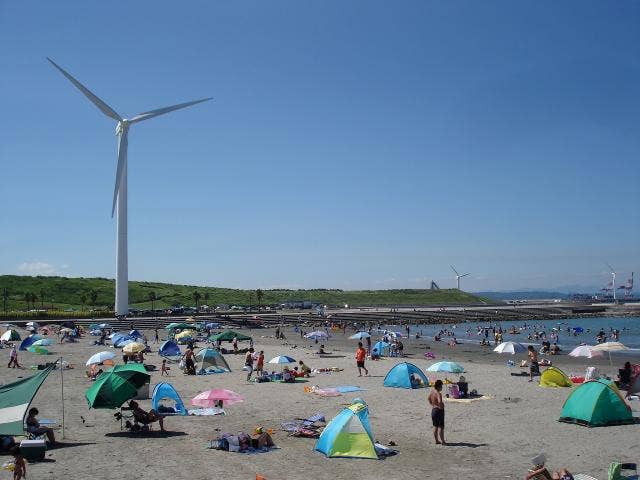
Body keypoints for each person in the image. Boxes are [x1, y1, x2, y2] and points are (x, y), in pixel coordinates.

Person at [428, 379, 445, 445]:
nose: (442, 388)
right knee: (441, 427)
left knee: (435, 426)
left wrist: (433, 404)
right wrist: (441, 406)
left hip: (433, 410)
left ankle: (436, 440)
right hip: (439, 411)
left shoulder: (432, 392)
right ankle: (443, 441)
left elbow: (429, 398)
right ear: (438, 386)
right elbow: (439, 401)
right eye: (441, 386)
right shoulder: (438, 393)